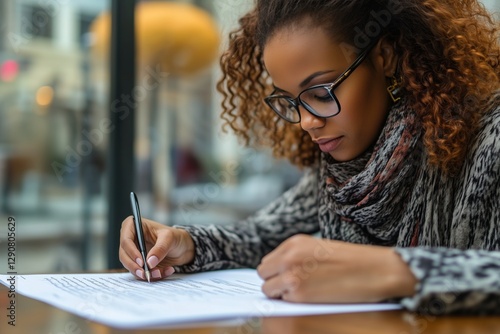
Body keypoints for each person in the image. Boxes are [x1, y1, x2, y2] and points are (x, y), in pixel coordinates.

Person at [119, 0, 500, 315]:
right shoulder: (342, 170)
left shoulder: (489, 137)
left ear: (384, 56)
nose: (305, 121)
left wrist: (397, 271)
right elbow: (259, 236)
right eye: (289, 100)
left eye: (320, 92)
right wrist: (183, 243)